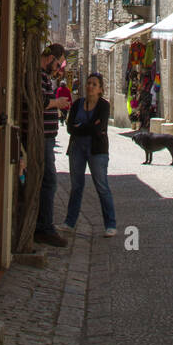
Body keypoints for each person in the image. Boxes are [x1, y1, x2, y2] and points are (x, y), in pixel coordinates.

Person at [61, 72, 117, 238]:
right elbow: (70, 127)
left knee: (102, 186)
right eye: (89, 83)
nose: (90, 86)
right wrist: (88, 127)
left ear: (100, 89)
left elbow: (98, 129)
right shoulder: (78, 103)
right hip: (77, 148)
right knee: (76, 186)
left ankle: (110, 224)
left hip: (97, 150)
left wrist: (81, 127)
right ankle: (70, 222)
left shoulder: (103, 106)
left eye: (94, 84)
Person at [34, 43, 71, 248]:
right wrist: (57, 103)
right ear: (50, 58)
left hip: (47, 136)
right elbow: (40, 100)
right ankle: (44, 228)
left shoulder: (44, 76)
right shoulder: (39, 75)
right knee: (49, 182)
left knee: (48, 181)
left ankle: (44, 226)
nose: (58, 69)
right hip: (43, 137)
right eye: (58, 64)